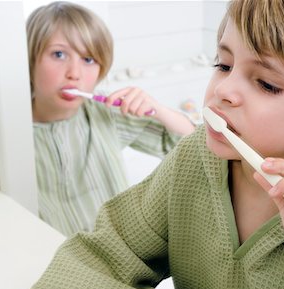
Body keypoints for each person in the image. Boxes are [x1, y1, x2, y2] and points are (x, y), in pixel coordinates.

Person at [25, 0, 284, 289]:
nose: (223, 91)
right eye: (224, 65)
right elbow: (107, 254)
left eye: (265, 83)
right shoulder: (198, 157)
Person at [27, 1, 195, 236]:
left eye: (88, 60)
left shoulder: (107, 114)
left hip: (118, 258)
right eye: (59, 54)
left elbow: (193, 144)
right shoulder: (10, 134)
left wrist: (158, 109)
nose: (74, 73)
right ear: (30, 58)